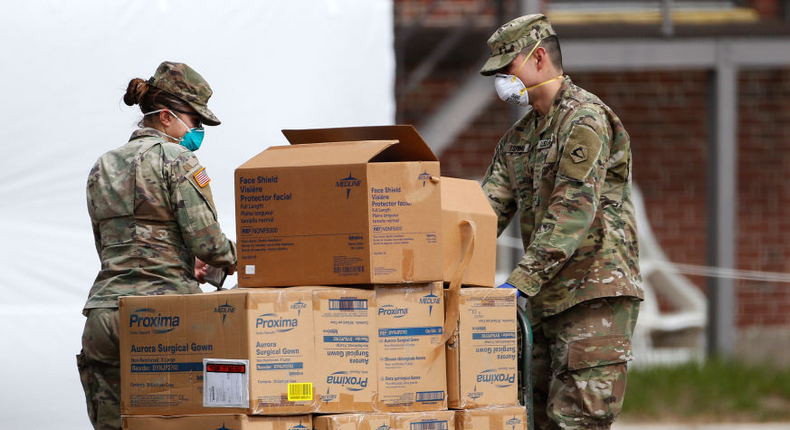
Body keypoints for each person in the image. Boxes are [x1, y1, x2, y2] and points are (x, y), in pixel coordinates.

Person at [479, 14, 644, 430]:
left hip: (593, 298)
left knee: (577, 422)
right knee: (530, 421)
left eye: (507, 68)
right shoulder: (517, 141)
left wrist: (519, 281)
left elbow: (572, 212)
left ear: (538, 58)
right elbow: (481, 216)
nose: (501, 81)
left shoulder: (585, 120)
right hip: (543, 304)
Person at [77, 61, 237, 430]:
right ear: (166, 116)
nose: (197, 131)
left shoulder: (103, 164)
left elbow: (111, 245)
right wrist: (245, 257)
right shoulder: (178, 159)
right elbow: (208, 242)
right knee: (176, 422)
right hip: (166, 315)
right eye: (195, 121)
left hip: (104, 315)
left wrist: (181, 259)